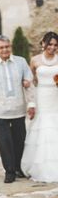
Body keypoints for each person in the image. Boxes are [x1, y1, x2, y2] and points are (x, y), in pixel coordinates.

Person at [0, 34, 35, 184]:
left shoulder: (21, 62)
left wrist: (31, 104)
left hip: (18, 109)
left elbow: (29, 82)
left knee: (19, 140)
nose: (5, 50)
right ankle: (9, 171)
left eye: (7, 46)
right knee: (5, 142)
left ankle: (18, 168)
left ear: (10, 47)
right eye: (1, 47)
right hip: (0, 111)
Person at [21, 32, 58, 182]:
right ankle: (42, 167)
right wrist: (27, 86)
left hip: (56, 96)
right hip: (41, 96)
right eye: (50, 44)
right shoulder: (35, 60)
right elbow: (30, 81)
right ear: (43, 43)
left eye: (55, 45)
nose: (52, 47)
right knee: (43, 126)